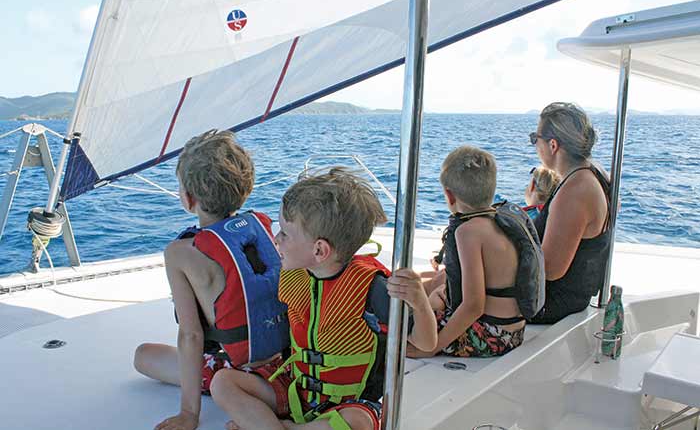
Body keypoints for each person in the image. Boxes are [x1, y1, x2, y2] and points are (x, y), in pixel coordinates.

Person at [208, 168, 437, 430]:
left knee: (358, 422)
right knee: (223, 383)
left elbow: (426, 343)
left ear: (319, 250)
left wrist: (419, 303)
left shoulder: (371, 288)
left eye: (284, 233)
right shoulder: (295, 274)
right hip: (297, 390)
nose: (276, 239)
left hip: (348, 404)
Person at [133, 130, 288, 430]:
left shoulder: (181, 253)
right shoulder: (263, 227)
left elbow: (191, 336)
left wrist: (188, 414)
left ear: (189, 198)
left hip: (236, 372)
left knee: (143, 356)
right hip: (286, 367)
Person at [410, 146, 527, 359]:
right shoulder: (501, 219)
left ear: (449, 195)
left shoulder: (468, 232)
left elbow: (474, 306)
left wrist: (432, 347)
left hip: (493, 336)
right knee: (438, 293)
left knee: (400, 327)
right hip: (514, 331)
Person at [528, 102, 611, 324]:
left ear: (552, 145)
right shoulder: (597, 173)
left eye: (535, 138)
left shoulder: (575, 191)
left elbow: (550, 270)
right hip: (572, 298)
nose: (535, 145)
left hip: (551, 303)